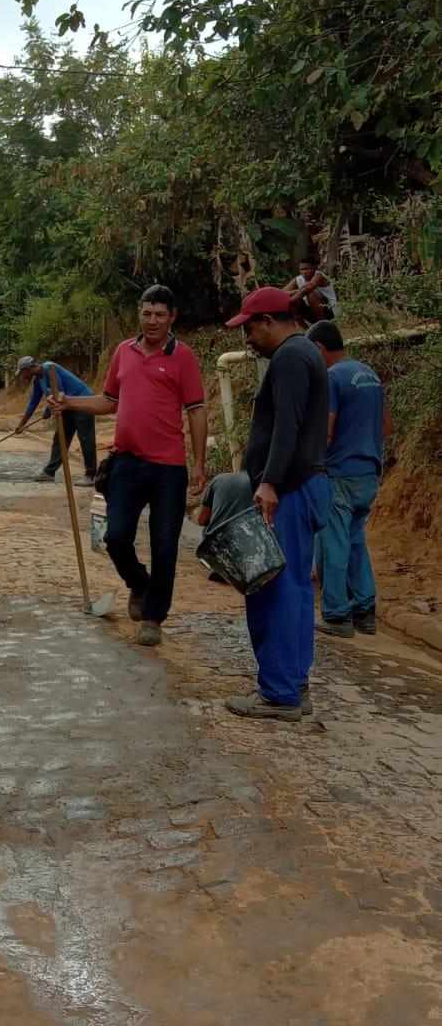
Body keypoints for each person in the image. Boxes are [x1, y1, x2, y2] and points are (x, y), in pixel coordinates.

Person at [50, 284, 206, 646]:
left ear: (173, 317)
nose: (152, 321)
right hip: (127, 464)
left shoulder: (183, 357)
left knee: (165, 545)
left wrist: (198, 464)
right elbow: (108, 401)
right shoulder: (124, 351)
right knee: (115, 536)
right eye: (146, 313)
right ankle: (138, 582)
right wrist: (68, 402)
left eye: (160, 315)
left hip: (168, 469)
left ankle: (153, 617)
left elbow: (196, 411)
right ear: (139, 313)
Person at [223, 287, 331, 722]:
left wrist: (268, 482)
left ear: (268, 320)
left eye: (249, 327)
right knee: (298, 589)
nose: (246, 337)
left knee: (274, 589)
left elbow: (288, 426)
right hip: (306, 486)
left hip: (288, 489)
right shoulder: (306, 354)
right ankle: (295, 682)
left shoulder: (289, 358)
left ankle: (280, 693)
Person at [307, 321, 392, 638]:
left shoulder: (331, 377)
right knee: (356, 542)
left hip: (339, 474)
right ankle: (364, 613)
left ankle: (337, 615)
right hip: (368, 474)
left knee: (335, 545)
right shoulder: (369, 374)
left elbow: (326, 429)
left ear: (318, 349)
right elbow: (386, 426)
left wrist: (314, 462)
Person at [14, 356, 96, 484]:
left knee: (86, 439)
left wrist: (48, 410)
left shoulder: (49, 368)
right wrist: (21, 425)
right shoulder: (38, 381)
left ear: (28, 368)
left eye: (22, 372)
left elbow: (60, 392)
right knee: (60, 438)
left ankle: (90, 475)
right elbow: (32, 403)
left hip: (81, 401)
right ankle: (49, 472)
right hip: (66, 406)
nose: (22, 376)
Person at [283, 252, 338, 323]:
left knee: (310, 294)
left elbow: (308, 288)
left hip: (330, 311)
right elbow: (282, 293)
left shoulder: (319, 276)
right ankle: (304, 329)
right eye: (302, 269)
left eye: (307, 269)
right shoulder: (298, 279)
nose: (304, 272)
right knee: (296, 298)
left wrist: (292, 300)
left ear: (314, 268)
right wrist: (298, 291)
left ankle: (323, 324)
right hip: (311, 314)